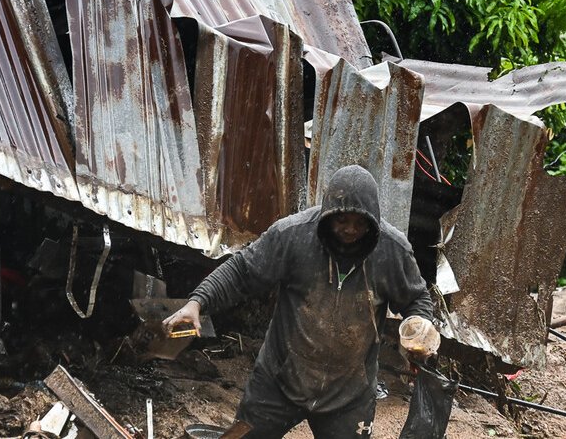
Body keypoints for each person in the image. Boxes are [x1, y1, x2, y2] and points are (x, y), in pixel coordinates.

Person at [163, 165, 439, 438]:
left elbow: (416, 298)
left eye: (360, 222)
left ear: (373, 219)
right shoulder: (292, 236)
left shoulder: (392, 250)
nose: (350, 229)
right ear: (327, 212)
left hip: (349, 396)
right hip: (278, 383)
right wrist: (197, 302)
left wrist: (421, 326)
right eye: (342, 220)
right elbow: (241, 272)